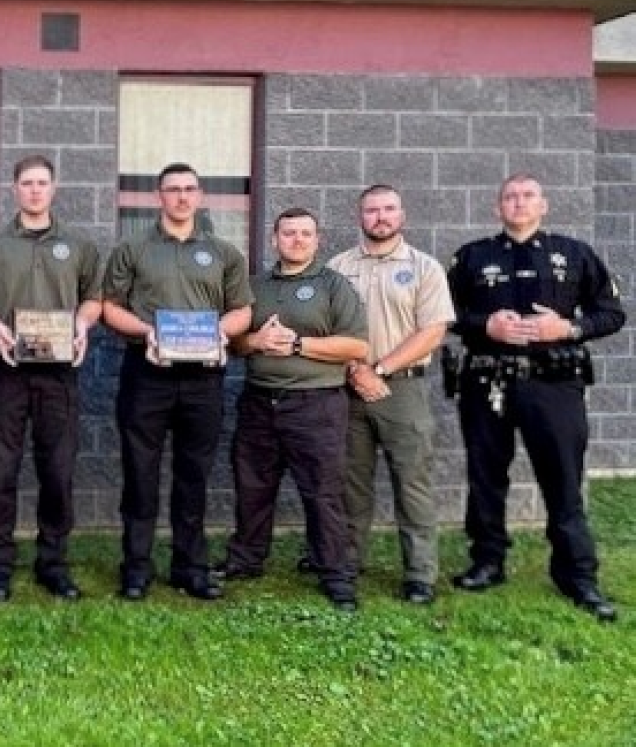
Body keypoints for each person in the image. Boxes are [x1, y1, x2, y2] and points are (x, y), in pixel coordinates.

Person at [447, 173, 624, 621]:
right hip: (489, 383)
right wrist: (484, 325)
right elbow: (443, 313)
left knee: (563, 479)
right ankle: (488, 561)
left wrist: (568, 327)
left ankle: (577, 576)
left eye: (527, 197)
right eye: (509, 197)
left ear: (543, 204)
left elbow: (611, 313)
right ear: (497, 207)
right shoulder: (472, 257)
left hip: (554, 385)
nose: (519, 204)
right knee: (486, 476)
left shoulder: (575, 254)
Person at [101, 162, 253, 602]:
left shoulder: (225, 253)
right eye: (173, 189)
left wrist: (218, 333)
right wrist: (148, 332)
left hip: (204, 378)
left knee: (194, 474)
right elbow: (110, 307)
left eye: (190, 189)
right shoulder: (133, 249)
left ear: (200, 196)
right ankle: (136, 568)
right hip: (148, 373)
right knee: (140, 472)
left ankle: (191, 567)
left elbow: (242, 310)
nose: (182, 197)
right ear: (159, 197)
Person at [0, 155, 101, 603]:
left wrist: (82, 325)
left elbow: (94, 299)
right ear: (14, 189)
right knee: (1, 471)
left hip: (60, 373)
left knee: (58, 472)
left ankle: (53, 564)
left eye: (43, 183)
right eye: (27, 183)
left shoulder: (79, 244)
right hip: (8, 370)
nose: (35, 191)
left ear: (54, 188)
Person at [222, 207, 368, 611]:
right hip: (259, 401)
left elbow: (357, 346)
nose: (297, 240)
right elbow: (235, 344)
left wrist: (298, 344)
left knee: (323, 492)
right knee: (252, 486)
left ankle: (335, 573)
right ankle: (246, 559)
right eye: (289, 233)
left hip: (316, 405)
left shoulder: (334, 286)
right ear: (274, 240)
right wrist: (256, 342)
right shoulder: (255, 287)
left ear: (317, 240)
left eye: (306, 234)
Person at [327, 184, 454, 605]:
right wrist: (354, 370)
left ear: (402, 215)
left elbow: (432, 331)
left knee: (412, 480)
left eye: (388, 209)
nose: (380, 216)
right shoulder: (337, 267)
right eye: (371, 210)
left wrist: (379, 369)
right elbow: (324, 329)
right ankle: (348, 560)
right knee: (350, 481)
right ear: (359, 216)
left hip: (402, 388)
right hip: (347, 387)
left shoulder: (424, 268)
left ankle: (420, 573)